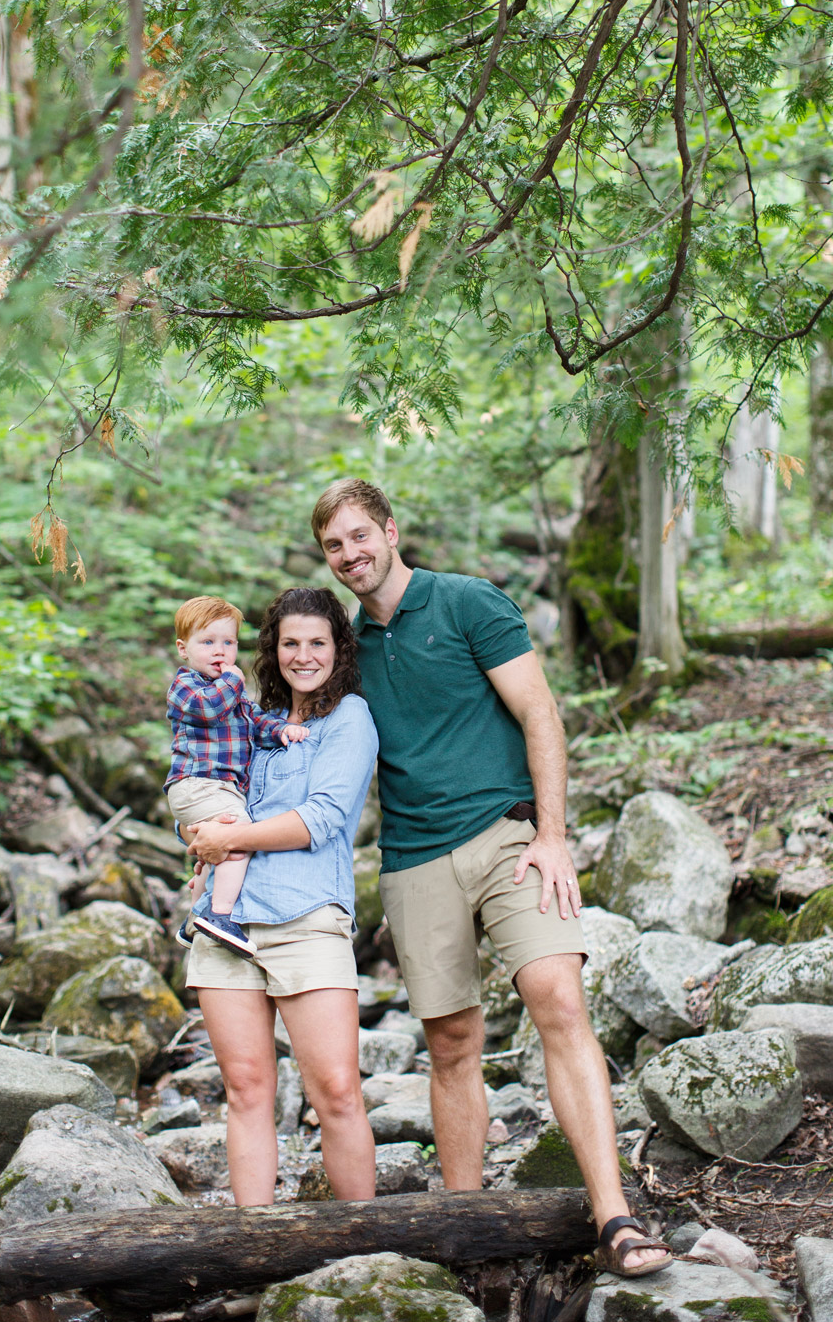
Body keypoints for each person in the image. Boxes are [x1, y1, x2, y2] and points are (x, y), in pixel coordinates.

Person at [312, 477, 672, 1278]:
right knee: (451, 1042)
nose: (350, 555)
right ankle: (469, 1230)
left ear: (392, 530)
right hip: (412, 858)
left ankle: (614, 1216)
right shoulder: (345, 649)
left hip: (508, 836)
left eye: (360, 536)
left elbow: (541, 711)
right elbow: (298, 723)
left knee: (559, 996)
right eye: (334, 545)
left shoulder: (470, 602)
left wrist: (552, 834)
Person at [180, 587, 379, 1205]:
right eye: (290, 642)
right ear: (273, 648)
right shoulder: (247, 714)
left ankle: (367, 1250)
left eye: (317, 642)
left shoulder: (349, 719)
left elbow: (320, 819)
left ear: (339, 649)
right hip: (227, 925)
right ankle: (256, 1243)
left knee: (338, 1092)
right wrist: (198, 830)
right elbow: (205, 784)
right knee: (245, 1089)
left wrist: (226, 837)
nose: (303, 655)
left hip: (306, 918)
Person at [164, 596, 311, 957]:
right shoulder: (187, 687)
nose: (220, 651)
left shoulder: (235, 694)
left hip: (220, 787)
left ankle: (192, 920)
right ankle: (219, 915)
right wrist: (232, 680)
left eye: (228, 642)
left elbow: (254, 721)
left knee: (214, 856)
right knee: (237, 839)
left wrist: (280, 731)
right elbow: (209, 710)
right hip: (197, 782)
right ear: (184, 649)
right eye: (208, 642)